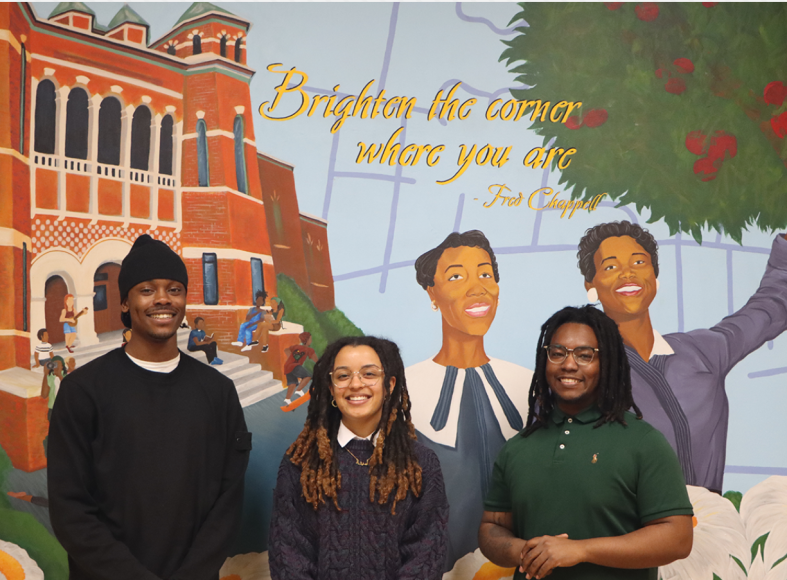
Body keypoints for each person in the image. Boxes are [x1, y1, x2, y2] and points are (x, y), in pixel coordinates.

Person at [575, 156, 787, 493]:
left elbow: (769, 309)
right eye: (611, 267)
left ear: (655, 278)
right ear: (591, 285)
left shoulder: (701, 351)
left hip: (713, 523)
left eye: (639, 262)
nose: (628, 273)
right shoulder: (580, 374)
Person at [48, 234, 251, 580]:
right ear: (125, 303)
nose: (163, 299)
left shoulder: (218, 392)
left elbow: (227, 502)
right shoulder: (83, 391)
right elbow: (71, 510)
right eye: (147, 290)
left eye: (174, 289)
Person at [479, 305, 693, 580]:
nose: (569, 365)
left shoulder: (644, 443)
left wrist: (581, 550)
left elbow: (677, 538)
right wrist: (526, 552)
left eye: (584, 355)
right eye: (558, 353)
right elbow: (491, 527)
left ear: (607, 363)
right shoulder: (517, 448)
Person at [269, 336, 449, 580]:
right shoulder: (300, 463)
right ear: (331, 388)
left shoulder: (421, 464)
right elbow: (288, 554)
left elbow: (426, 554)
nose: (355, 384)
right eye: (343, 376)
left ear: (390, 384)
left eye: (369, 374)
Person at [407, 230, 533, 568]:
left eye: (485, 274)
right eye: (456, 276)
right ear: (432, 294)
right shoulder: (402, 390)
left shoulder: (531, 385)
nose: (477, 288)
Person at [40, 355, 67, 456]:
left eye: (57, 364)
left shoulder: (67, 377)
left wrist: (60, 376)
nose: (55, 367)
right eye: (53, 364)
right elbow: (44, 394)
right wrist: (45, 374)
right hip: (53, 410)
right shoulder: (50, 378)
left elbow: (68, 391)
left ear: (62, 366)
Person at [282, 331, 317, 405]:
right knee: (308, 376)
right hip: (295, 366)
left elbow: (286, 350)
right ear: (307, 340)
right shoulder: (309, 350)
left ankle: (287, 399)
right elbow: (316, 360)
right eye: (310, 339)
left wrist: (291, 357)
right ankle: (299, 390)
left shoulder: (296, 347)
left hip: (287, 366)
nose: (311, 340)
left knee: (292, 383)